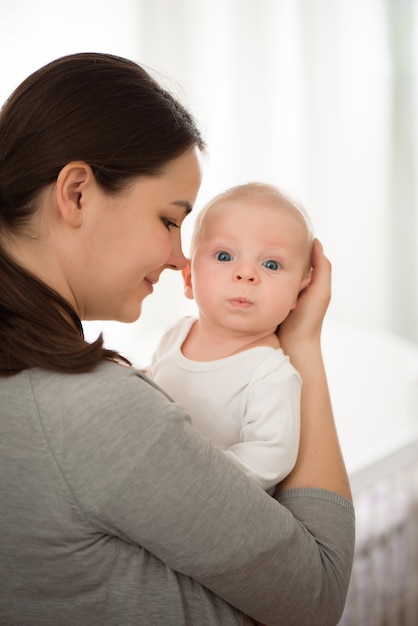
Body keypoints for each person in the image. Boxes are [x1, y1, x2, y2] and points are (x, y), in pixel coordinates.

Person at [0, 52, 354, 626]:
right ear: (77, 193)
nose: (176, 257)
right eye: (170, 219)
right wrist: (304, 343)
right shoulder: (92, 411)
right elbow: (317, 595)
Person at [150, 183, 314, 493]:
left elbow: (266, 462)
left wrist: (183, 479)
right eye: (224, 256)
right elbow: (152, 397)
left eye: (271, 264)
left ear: (299, 292)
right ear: (188, 279)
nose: (246, 274)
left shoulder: (270, 374)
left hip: (211, 508)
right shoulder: (176, 336)